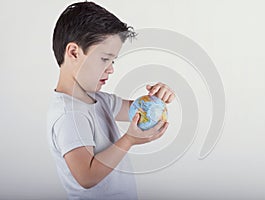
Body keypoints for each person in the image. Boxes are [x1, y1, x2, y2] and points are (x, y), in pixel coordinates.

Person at [47, 1, 175, 200]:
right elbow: (86, 176)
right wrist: (129, 140)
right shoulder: (69, 115)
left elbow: (137, 112)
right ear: (74, 52)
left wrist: (159, 97)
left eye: (112, 61)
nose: (111, 69)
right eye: (105, 59)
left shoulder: (99, 100)